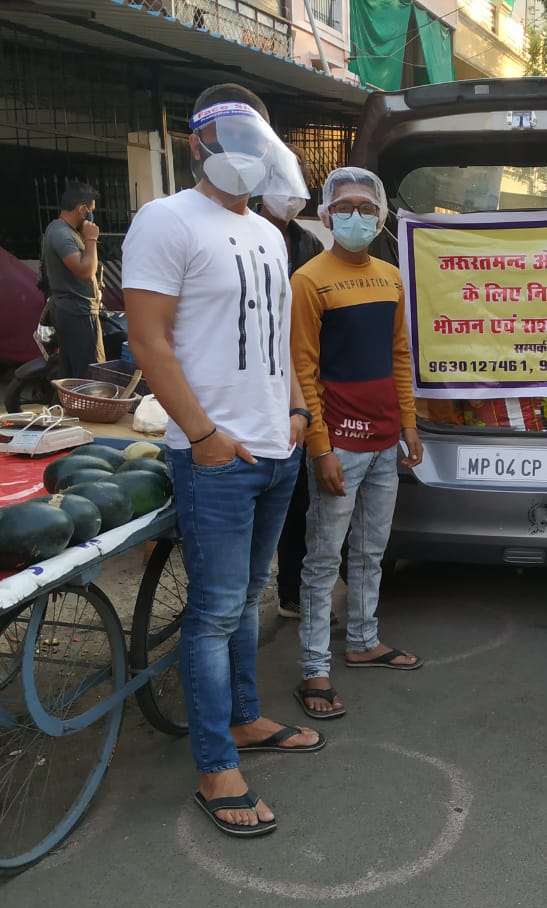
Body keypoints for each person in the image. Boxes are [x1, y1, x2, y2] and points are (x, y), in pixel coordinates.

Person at [122, 82, 321, 839]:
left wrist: (299, 410)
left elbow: (277, 342)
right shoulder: (165, 220)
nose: (240, 153)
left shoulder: (272, 233)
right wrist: (203, 435)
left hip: (277, 448)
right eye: (225, 137)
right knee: (211, 613)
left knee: (247, 598)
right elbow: (149, 341)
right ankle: (214, 767)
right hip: (216, 458)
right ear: (196, 144)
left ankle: (242, 719)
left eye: (254, 139)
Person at [290, 166, 424, 720]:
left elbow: (398, 356)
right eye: (345, 207)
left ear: (381, 215)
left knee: (371, 552)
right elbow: (302, 368)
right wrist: (319, 447)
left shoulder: (391, 277)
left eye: (367, 208)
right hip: (338, 445)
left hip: (386, 440)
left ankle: (364, 640)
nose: (356, 216)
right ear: (325, 215)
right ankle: (314, 670)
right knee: (323, 562)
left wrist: (409, 424)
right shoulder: (308, 281)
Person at [254, 158, 326, 620]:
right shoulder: (244, 234)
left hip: (301, 381)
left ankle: (293, 590)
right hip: (256, 382)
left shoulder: (307, 241)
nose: (290, 195)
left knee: (301, 496)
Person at [41, 183, 104, 381]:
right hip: (78, 312)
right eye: (91, 210)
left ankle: (74, 412)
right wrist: (92, 239)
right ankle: (88, 413)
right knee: (91, 379)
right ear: (82, 209)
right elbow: (85, 271)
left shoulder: (64, 231)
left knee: (74, 377)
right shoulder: (61, 233)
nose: (91, 215)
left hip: (74, 310)